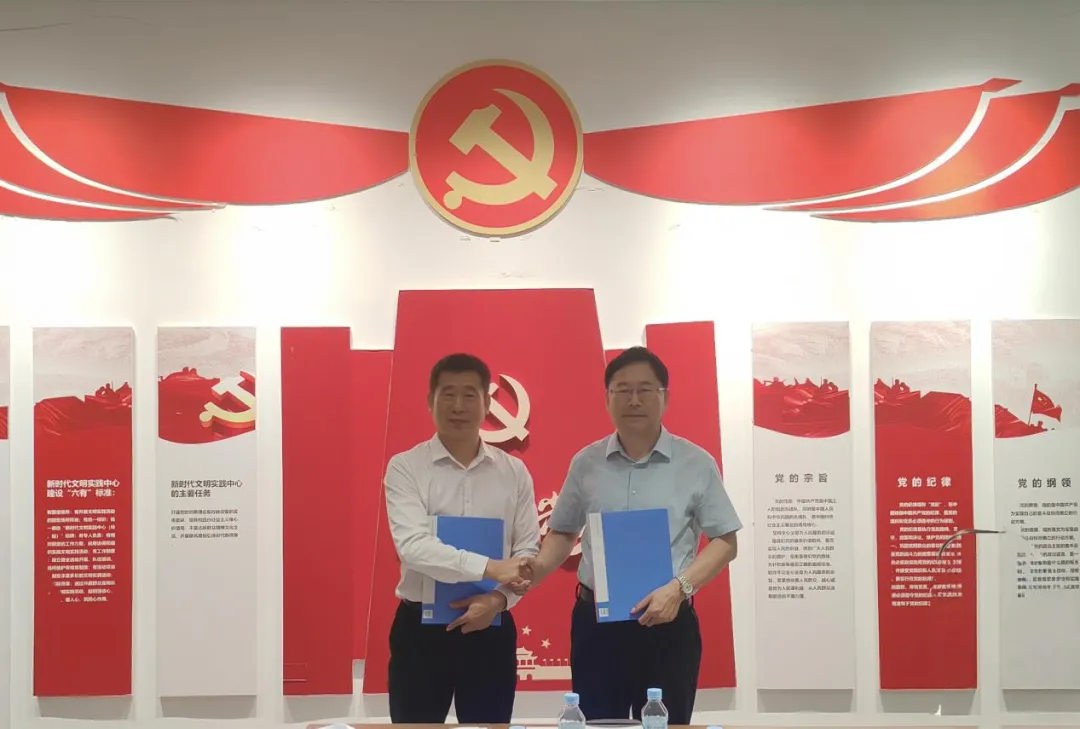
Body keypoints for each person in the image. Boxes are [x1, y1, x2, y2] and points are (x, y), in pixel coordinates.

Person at [514, 346, 741, 725]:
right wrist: (533, 570)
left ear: (665, 397)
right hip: (596, 626)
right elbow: (563, 532)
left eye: (645, 390)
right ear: (607, 399)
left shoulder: (696, 463)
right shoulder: (586, 463)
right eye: (622, 390)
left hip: (669, 622)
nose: (634, 400)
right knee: (598, 723)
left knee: (665, 722)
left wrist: (679, 589)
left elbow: (725, 542)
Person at [382, 352, 541, 724]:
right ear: (430, 401)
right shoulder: (406, 467)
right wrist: (491, 568)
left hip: (491, 627)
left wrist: (498, 599)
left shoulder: (514, 472)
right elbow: (413, 547)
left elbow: (527, 550)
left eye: (470, 395)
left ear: (487, 403)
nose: (458, 406)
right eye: (448, 394)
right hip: (420, 632)